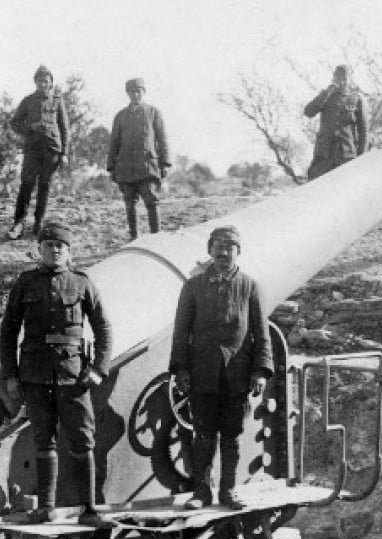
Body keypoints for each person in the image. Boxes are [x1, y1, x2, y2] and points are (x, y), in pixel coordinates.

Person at [0, 221, 113, 526]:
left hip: (73, 375)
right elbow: (8, 330)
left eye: (60, 246)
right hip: (35, 375)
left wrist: (99, 368)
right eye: (49, 245)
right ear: (40, 249)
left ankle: (89, 509)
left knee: (82, 439)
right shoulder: (25, 283)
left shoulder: (82, 283)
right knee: (43, 439)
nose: (55, 251)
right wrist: (11, 375)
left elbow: (103, 327)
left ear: (69, 250)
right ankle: (46, 507)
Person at [170, 226, 272, 511]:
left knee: (232, 435)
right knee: (203, 435)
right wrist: (180, 369)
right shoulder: (193, 286)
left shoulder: (250, 286)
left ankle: (229, 491)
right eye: (218, 247)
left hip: (236, 375)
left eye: (229, 247)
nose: (223, 253)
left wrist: (260, 372)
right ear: (209, 250)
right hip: (202, 373)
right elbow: (180, 332)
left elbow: (261, 333)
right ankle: (201, 492)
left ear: (238, 252)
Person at [6, 65, 70, 241]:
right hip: (32, 150)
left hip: (51, 150)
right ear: (35, 82)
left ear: (51, 83)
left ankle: (38, 225)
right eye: (40, 81)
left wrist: (64, 153)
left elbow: (64, 128)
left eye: (47, 81)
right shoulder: (28, 101)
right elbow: (15, 123)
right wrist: (30, 127)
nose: (43, 84)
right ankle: (18, 224)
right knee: (26, 185)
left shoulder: (57, 101)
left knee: (44, 186)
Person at [107, 76, 170, 239]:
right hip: (126, 166)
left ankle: (156, 237)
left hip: (147, 165)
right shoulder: (120, 116)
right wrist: (111, 167)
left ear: (144, 92)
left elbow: (162, 139)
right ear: (127, 94)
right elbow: (114, 143)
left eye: (138, 91)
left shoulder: (153, 113)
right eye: (131, 92)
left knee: (151, 200)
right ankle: (134, 237)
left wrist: (164, 163)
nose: (135, 95)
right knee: (129, 202)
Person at [304, 64, 368, 180]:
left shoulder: (357, 100)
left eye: (344, 77)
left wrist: (360, 159)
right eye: (338, 77)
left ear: (350, 79)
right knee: (316, 185)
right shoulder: (326, 96)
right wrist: (327, 91)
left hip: (346, 156)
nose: (341, 81)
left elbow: (363, 132)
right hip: (324, 156)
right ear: (334, 78)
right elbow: (308, 112)